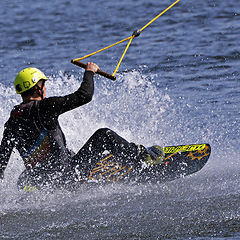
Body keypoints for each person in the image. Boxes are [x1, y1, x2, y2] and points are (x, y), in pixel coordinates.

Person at [0, 63, 164, 189]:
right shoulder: (45, 106)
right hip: (67, 177)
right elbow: (84, 95)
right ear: (38, 87)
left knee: (27, 175)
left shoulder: (13, 120)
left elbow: (2, 160)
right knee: (104, 135)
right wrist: (89, 72)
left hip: (45, 183)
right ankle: (141, 158)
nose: (45, 88)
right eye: (43, 84)